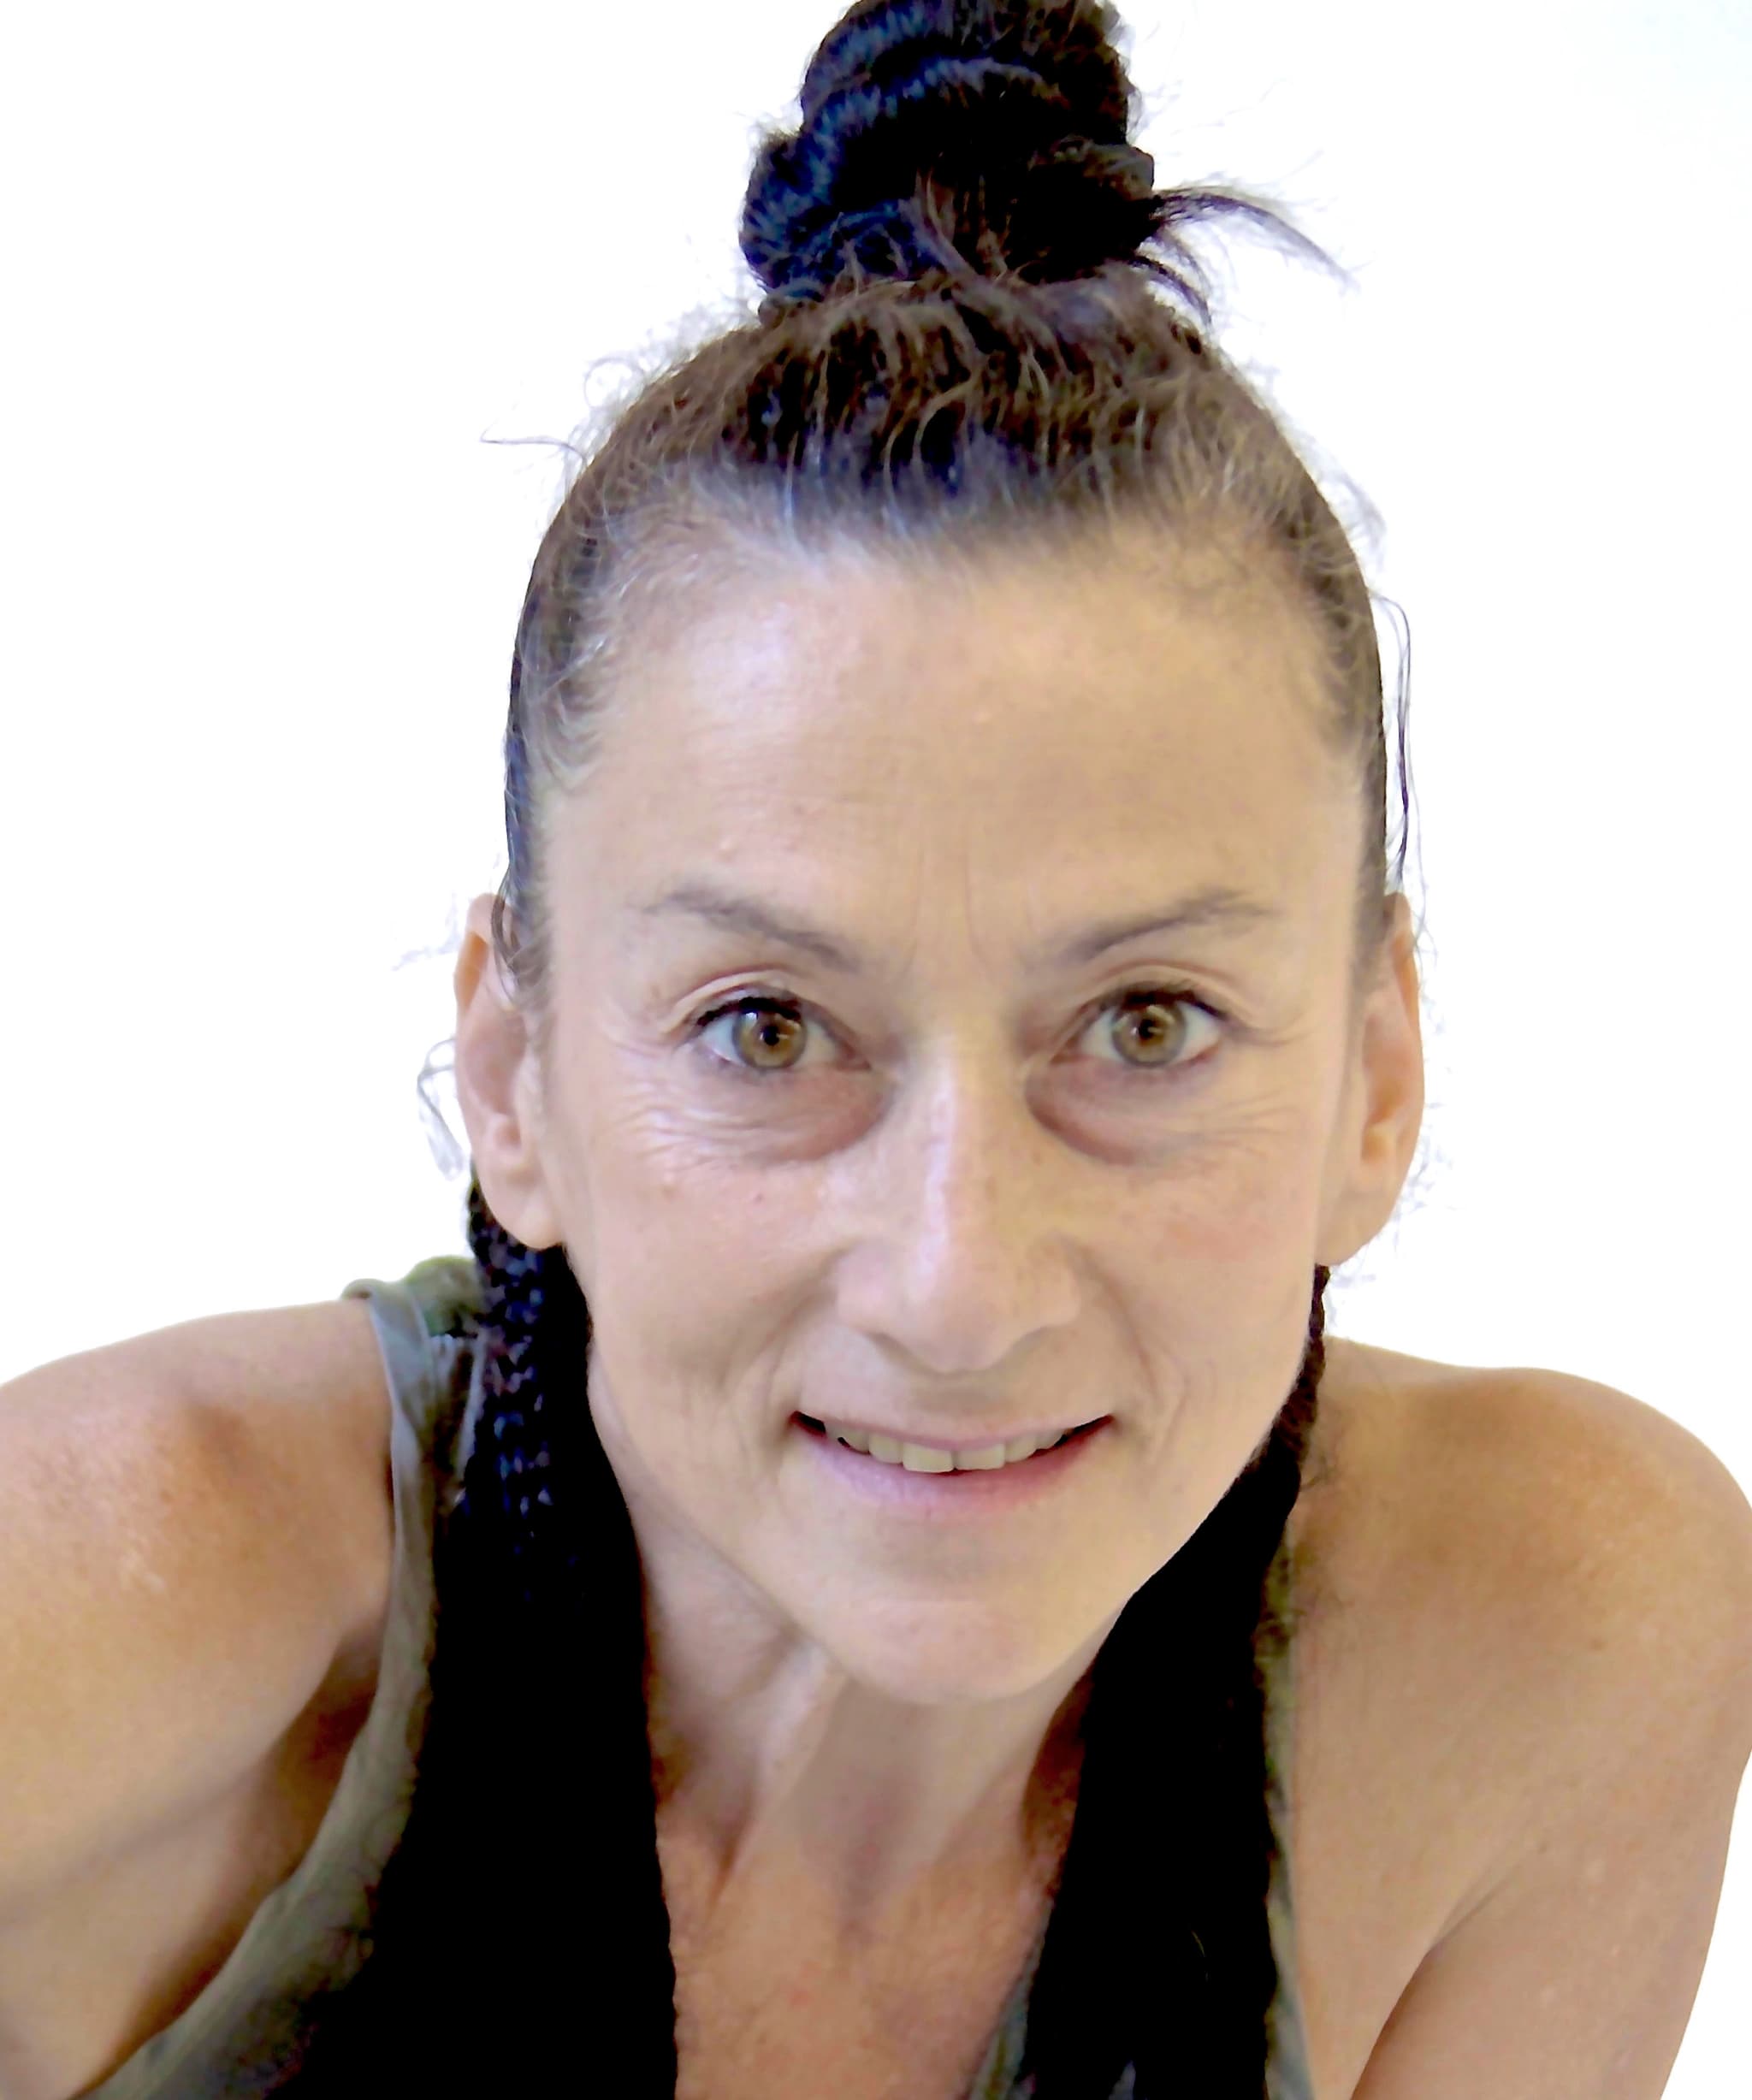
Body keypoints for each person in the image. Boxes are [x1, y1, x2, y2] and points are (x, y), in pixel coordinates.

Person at [3, 3, 1749, 2097]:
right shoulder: (108, 1615)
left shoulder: (1548, 1653)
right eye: (767, 1029)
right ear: (513, 1074)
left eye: (1143, 1024)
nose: (957, 1283)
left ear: (1376, 1073)